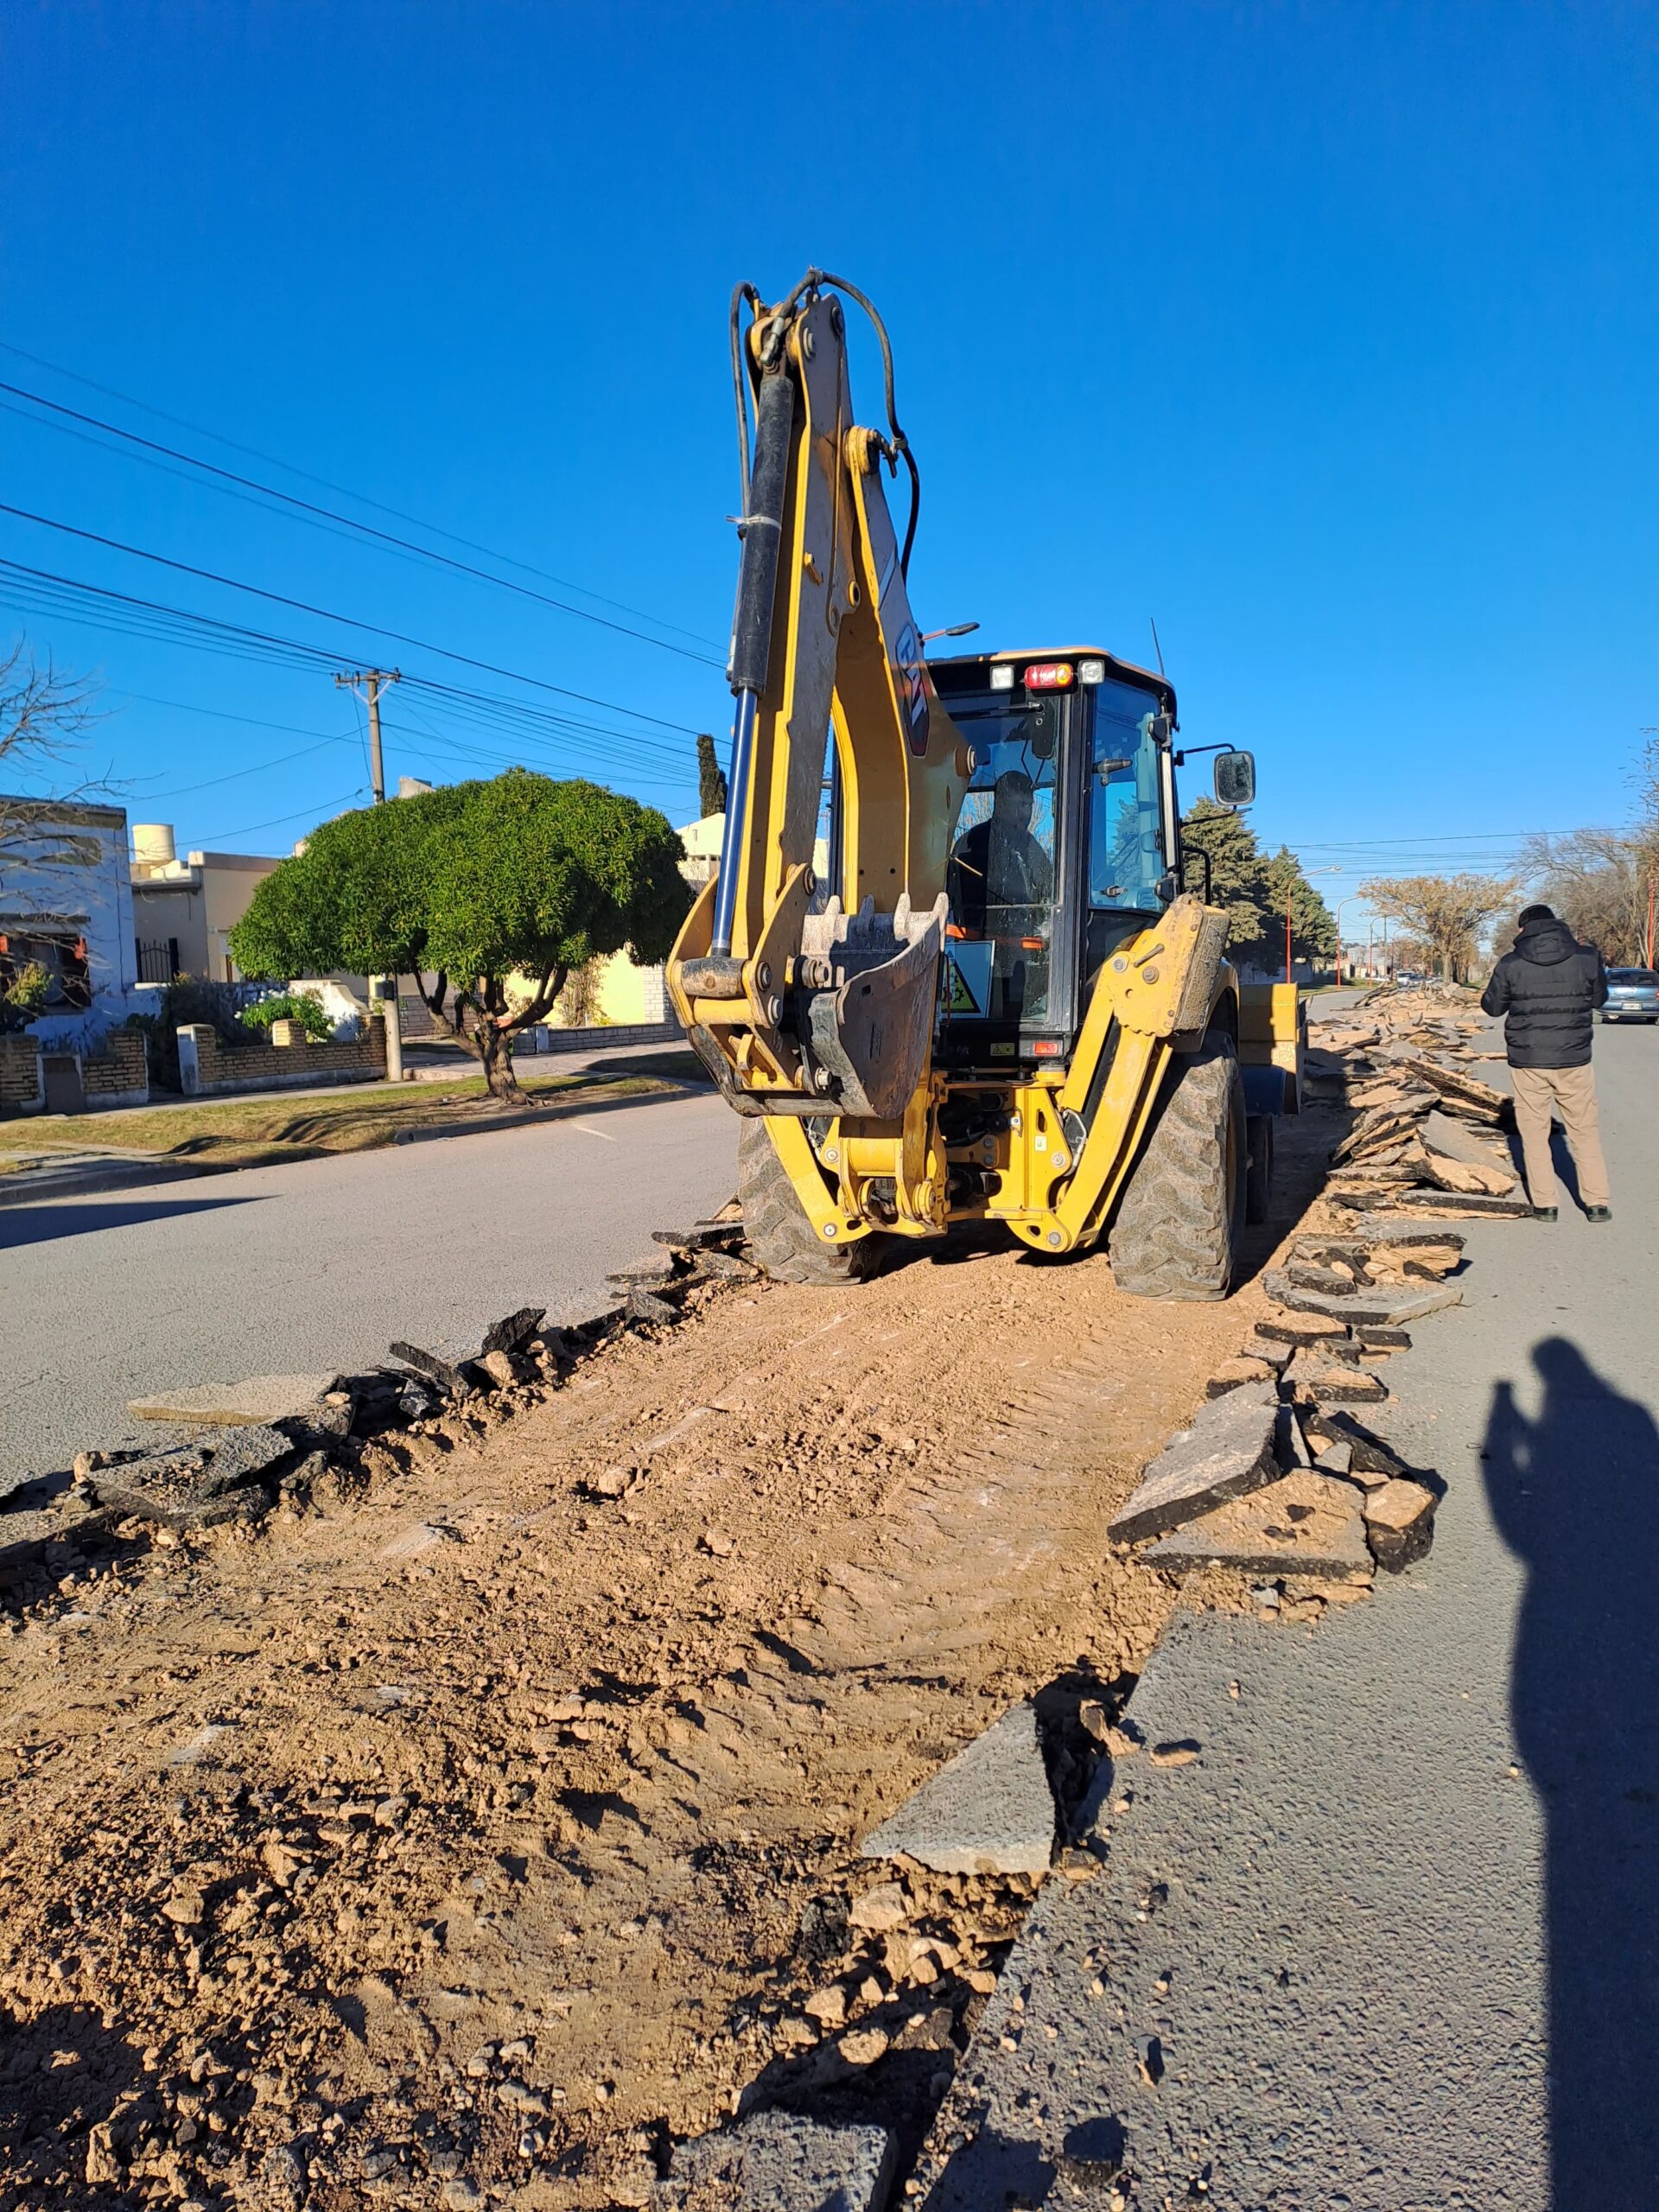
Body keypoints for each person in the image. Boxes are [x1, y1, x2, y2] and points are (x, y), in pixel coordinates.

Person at [1480, 902, 1611, 1222]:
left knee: (1534, 1132)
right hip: (1574, 1058)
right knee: (1584, 1130)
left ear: (1522, 929)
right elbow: (1599, 999)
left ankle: (1545, 1204)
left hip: (1528, 1061)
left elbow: (1493, 1008)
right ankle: (1596, 1203)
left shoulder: (1511, 963)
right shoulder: (1587, 957)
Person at [947, 769, 1053, 940]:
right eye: (1021, 805)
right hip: (973, 944)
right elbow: (954, 901)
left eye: (1030, 805)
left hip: (1021, 943)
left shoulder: (1029, 845)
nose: (1026, 814)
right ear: (1001, 803)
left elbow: (1049, 887)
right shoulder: (969, 843)